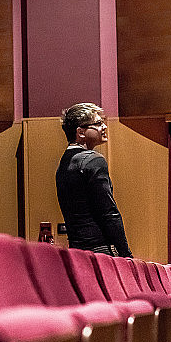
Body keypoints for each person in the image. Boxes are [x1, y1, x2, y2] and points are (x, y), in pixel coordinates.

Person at [55, 102, 132, 257]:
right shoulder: (92, 160)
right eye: (98, 123)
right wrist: (126, 254)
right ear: (81, 132)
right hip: (99, 250)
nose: (104, 127)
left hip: (76, 251)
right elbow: (108, 212)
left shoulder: (64, 163)